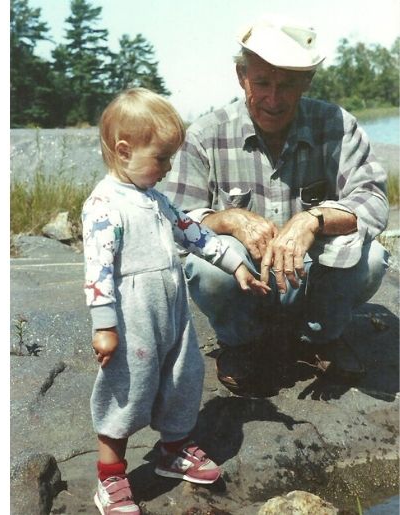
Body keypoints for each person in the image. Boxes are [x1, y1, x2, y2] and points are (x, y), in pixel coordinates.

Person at [160, 17, 390, 391]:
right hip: (246, 279)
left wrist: (313, 219)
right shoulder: (205, 134)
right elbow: (177, 220)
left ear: (306, 83)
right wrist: (228, 219)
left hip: (313, 274)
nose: (273, 98)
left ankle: (321, 337)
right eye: (262, 82)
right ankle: (241, 342)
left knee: (373, 258)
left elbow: (373, 200)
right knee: (205, 269)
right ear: (241, 76)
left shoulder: (336, 125)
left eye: (286, 85)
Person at [83, 88, 270, 514]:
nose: (168, 168)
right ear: (124, 150)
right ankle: (110, 479)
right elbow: (97, 271)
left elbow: (197, 234)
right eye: (161, 158)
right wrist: (105, 326)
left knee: (182, 378)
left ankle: (173, 451)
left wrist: (237, 265)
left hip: (173, 313)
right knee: (124, 391)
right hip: (134, 317)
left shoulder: (157, 200)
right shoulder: (104, 204)